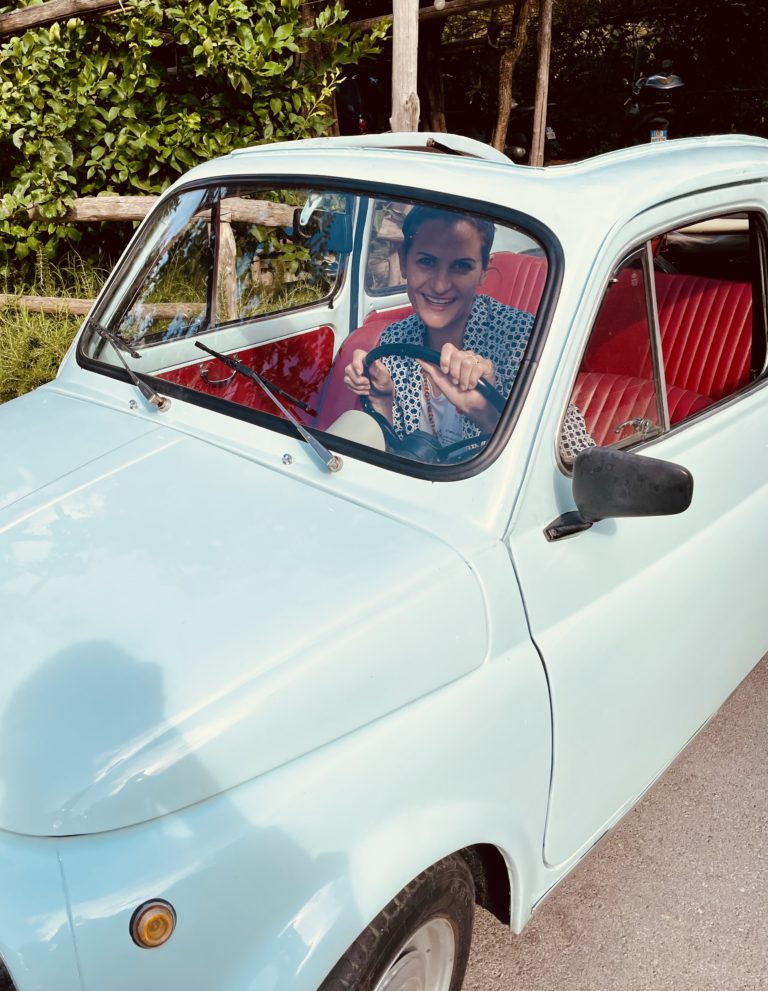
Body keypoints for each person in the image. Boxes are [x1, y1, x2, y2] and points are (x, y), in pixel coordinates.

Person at [343, 204, 593, 462]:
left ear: (484, 271)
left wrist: (486, 414)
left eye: (461, 266)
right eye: (426, 261)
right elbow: (397, 453)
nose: (440, 285)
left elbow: (576, 456)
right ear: (404, 262)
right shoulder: (394, 339)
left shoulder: (525, 339)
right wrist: (382, 400)